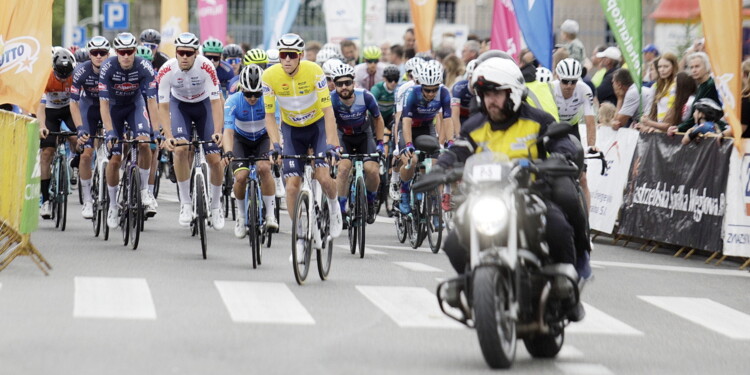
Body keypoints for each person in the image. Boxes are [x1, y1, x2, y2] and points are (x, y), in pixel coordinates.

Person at [437, 57, 585, 320]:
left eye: (497, 93)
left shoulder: (538, 120)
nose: (490, 100)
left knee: (557, 225)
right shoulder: (475, 125)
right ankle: (470, 285)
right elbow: (458, 151)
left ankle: (567, 283)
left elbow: (561, 142)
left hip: (530, 193)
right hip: (487, 197)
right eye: (485, 94)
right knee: (453, 241)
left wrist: (560, 156)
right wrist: (440, 168)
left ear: (514, 92)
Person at [261, 33, 343, 240]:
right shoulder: (269, 76)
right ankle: (298, 234)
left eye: (291, 55)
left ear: (300, 55)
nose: (287, 59)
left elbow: (328, 112)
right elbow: (269, 116)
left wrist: (333, 144)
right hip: (292, 130)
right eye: (283, 55)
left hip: (317, 127)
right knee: (291, 186)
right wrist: (275, 144)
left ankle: (334, 210)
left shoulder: (314, 71)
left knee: (324, 177)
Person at [157, 32, 226, 230]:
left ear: (196, 53)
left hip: (204, 106)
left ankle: (215, 206)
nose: (184, 57)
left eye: (189, 53)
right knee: (180, 150)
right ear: (176, 52)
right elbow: (163, 106)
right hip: (180, 107)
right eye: (181, 52)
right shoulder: (166, 70)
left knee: (214, 158)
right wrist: (168, 136)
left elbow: (215, 102)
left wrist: (218, 131)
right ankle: (186, 203)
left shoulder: (206, 66)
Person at [98, 32, 160, 228]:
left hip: (134, 104)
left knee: (144, 142)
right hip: (114, 108)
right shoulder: (108, 67)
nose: (126, 56)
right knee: (115, 159)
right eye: (122, 52)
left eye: (130, 51)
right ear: (116, 52)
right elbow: (104, 104)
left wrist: (156, 131)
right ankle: (113, 206)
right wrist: (110, 132)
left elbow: (151, 101)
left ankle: (143, 191)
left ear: (135, 51)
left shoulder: (144, 66)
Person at [222, 65, 278, 238]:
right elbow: (228, 131)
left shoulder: (269, 99)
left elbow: (275, 128)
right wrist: (228, 151)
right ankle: (240, 216)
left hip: (263, 138)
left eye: (257, 94)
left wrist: (273, 150)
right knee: (240, 176)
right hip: (241, 139)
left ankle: (270, 214)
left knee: (264, 168)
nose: (253, 98)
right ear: (241, 90)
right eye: (248, 94)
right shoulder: (232, 101)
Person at [329, 63, 385, 224]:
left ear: (354, 83)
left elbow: (378, 119)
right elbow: (329, 123)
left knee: (372, 170)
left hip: (364, 136)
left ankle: (369, 201)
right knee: (344, 169)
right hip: (343, 136)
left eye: (347, 83)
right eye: (339, 84)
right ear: (334, 85)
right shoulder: (331, 99)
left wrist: (380, 142)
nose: (344, 87)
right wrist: (333, 146)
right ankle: (340, 209)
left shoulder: (366, 96)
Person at [397, 60, 452, 214]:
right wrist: (408, 144)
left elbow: (447, 120)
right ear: (421, 85)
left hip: (426, 129)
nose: (430, 94)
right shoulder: (412, 93)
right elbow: (406, 121)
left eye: (434, 90)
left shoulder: (444, 93)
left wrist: (450, 142)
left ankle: (434, 205)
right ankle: (405, 193)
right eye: (426, 90)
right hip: (409, 129)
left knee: (435, 165)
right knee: (412, 161)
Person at [69, 37, 110, 220]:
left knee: (118, 151)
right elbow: (74, 103)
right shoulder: (81, 70)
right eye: (95, 53)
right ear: (89, 54)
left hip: (109, 107)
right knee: (86, 153)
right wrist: (79, 128)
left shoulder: (114, 68)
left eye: (103, 53)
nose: (99, 56)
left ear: (108, 54)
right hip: (89, 109)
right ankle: (87, 200)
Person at [37, 48, 77, 219]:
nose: (63, 77)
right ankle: (45, 200)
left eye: (66, 74)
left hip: (68, 111)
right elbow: (40, 108)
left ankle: (74, 163)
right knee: (46, 153)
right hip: (50, 113)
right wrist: (41, 127)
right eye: (60, 74)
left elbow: (80, 105)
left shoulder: (75, 77)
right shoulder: (46, 77)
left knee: (78, 138)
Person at [671, 52, 727, 135]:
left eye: (697, 66)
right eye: (691, 67)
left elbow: (700, 114)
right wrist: (679, 127)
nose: (694, 70)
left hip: (715, 131)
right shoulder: (702, 86)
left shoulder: (711, 85)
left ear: (707, 67)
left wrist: (679, 128)